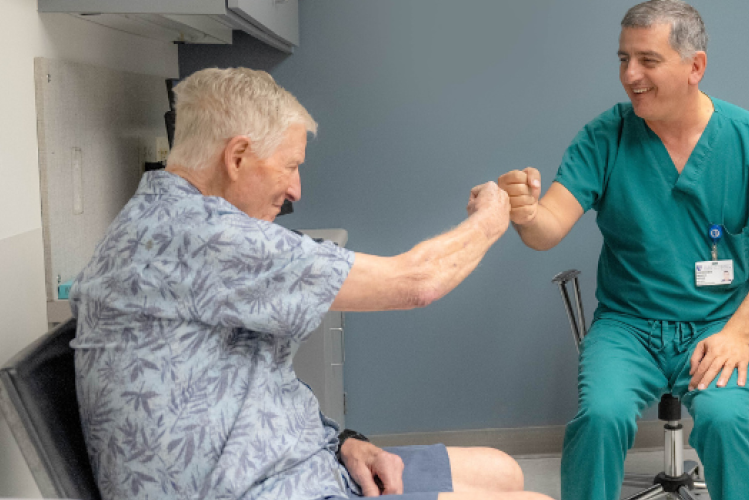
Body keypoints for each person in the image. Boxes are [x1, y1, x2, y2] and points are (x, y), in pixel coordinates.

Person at [69, 67, 549, 500]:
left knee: (502, 470)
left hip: (292, 466)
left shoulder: (164, 217)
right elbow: (417, 281)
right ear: (237, 156)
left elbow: (254, 383)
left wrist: (343, 442)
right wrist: (491, 219)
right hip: (263, 488)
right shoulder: (200, 235)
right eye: (290, 165)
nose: (297, 189)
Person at [497, 1, 749, 499]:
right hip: (628, 325)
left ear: (695, 66)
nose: (629, 75)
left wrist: (738, 334)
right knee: (599, 418)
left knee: (727, 421)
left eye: (647, 59)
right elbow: (547, 228)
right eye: (623, 59)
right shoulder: (607, 136)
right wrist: (524, 210)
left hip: (718, 324)